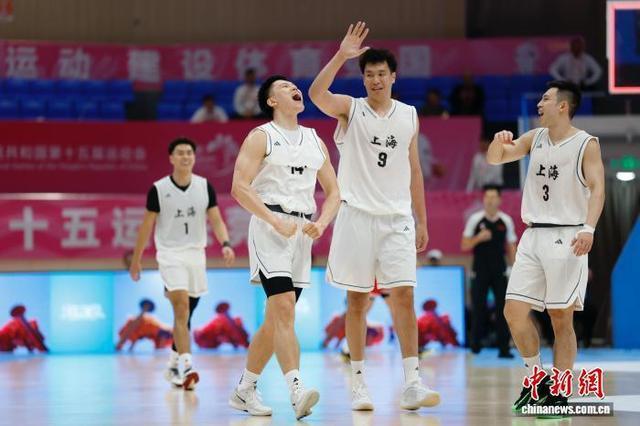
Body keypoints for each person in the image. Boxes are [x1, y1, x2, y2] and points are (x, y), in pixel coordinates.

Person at [309, 21, 440, 411]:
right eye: (369, 74)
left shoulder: (409, 115)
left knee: (404, 295)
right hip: (356, 217)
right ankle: (359, 384)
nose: (376, 80)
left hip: (397, 218)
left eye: (382, 74)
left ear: (393, 77)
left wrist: (422, 219)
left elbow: (414, 170)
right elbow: (316, 94)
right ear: (363, 79)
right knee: (357, 301)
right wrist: (341, 55)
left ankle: (413, 382)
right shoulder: (351, 109)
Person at [487, 80, 605, 415]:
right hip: (532, 235)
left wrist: (589, 229)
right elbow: (496, 159)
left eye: (546, 99)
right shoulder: (534, 137)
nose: (539, 104)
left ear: (563, 106)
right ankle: (536, 380)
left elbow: (597, 188)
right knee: (513, 312)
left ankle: (560, 392)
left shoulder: (586, 144)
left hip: (567, 236)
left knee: (560, 317)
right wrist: (497, 142)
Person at [228, 75, 340, 420]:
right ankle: (297, 390)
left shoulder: (314, 139)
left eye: (294, 85)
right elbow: (239, 187)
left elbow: (335, 192)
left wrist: (322, 223)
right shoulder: (261, 136)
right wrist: (273, 221)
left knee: (276, 318)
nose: (294, 88)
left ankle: (245, 389)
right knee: (284, 308)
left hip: (302, 232)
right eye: (284, 86)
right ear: (272, 101)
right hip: (270, 227)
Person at [129, 137, 236, 390]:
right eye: (180, 153)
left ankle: (172, 364)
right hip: (170, 254)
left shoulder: (204, 186)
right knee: (181, 306)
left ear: (194, 157)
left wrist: (226, 243)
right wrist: (136, 259)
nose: (186, 156)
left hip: (196, 255)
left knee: (188, 312)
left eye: (189, 152)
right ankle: (187, 366)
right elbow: (146, 226)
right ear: (171, 158)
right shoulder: (158, 189)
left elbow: (216, 219)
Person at [461, 185, 517, 358]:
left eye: (493, 197)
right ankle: (475, 346)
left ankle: (504, 348)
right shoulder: (475, 219)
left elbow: (511, 246)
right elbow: (464, 245)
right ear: (483, 199)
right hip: (480, 270)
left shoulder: (505, 220)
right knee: (478, 308)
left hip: (500, 270)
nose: (490, 200)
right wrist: (478, 238)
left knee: (503, 310)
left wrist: (515, 269)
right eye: (487, 197)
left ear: (499, 200)